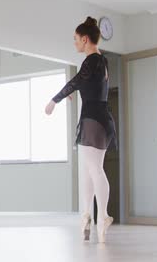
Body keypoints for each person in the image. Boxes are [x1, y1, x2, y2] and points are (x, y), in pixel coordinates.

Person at [45, 17, 116, 243]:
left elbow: (76, 80)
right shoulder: (102, 61)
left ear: (85, 39)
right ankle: (86, 216)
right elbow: (91, 85)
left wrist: (54, 100)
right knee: (89, 170)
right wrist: (79, 92)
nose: (75, 43)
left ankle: (102, 215)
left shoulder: (90, 60)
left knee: (94, 169)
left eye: (76, 39)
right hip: (103, 118)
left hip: (92, 120)